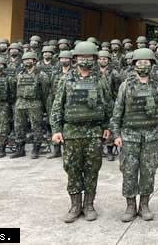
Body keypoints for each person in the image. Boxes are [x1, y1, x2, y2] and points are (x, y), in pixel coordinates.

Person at [51, 41, 112, 223]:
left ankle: (89, 205)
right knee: (72, 169)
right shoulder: (66, 80)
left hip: (93, 133)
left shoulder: (101, 80)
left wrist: (108, 127)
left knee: (92, 169)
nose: (85, 60)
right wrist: (56, 129)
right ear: (75, 59)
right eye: (82, 57)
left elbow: (109, 105)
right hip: (71, 132)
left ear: (94, 59)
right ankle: (75, 205)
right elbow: (57, 106)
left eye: (89, 57)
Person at [111, 48, 158, 222]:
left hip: (151, 135)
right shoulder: (125, 85)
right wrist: (116, 133)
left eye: (146, 62)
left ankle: (144, 205)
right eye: (139, 62)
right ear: (134, 64)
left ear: (151, 64)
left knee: (148, 171)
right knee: (129, 171)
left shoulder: (157, 85)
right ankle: (130, 206)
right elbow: (118, 110)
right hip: (129, 135)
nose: (143, 65)